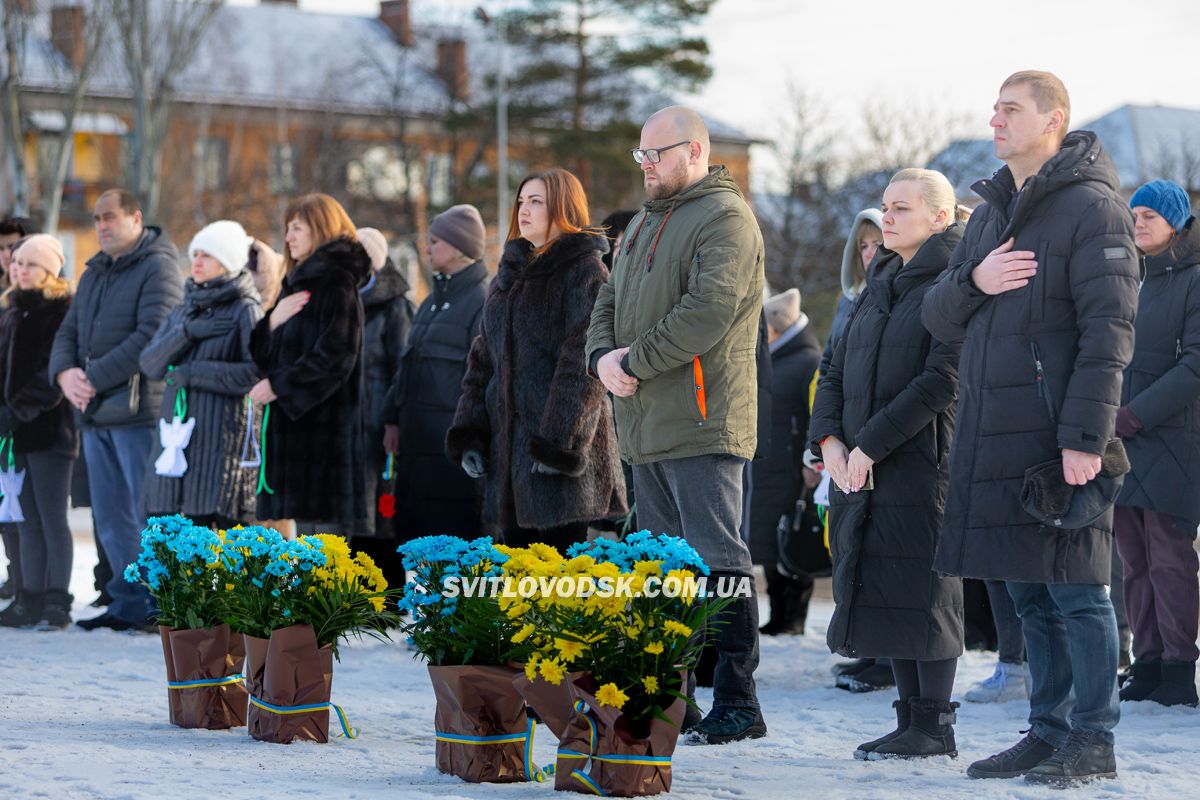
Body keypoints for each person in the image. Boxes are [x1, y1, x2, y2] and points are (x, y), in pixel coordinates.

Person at [922, 71, 1139, 784]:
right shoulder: (988, 214)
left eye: (1010, 110)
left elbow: (1110, 331)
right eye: (993, 109)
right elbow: (937, 315)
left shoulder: (1093, 208)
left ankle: (1094, 738)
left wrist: (1085, 438)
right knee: (1029, 592)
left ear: (1054, 120)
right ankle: (1047, 731)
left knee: (1079, 590)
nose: (995, 121)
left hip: (1057, 437)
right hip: (993, 429)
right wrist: (974, 279)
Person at [586, 106, 767, 745]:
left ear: (693, 152)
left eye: (655, 155)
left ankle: (740, 701)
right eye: (641, 156)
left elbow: (707, 311)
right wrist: (601, 358)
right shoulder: (638, 225)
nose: (646, 166)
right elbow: (605, 300)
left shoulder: (724, 217)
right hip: (642, 422)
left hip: (701, 419)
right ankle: (673, 698)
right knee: (663, 566)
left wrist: (632, 359)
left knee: (718, 559)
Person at [811, 168, 966, 760]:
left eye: (901, 208)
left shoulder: (952, 281)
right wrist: (828, 440)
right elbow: (835, 367)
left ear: (940, 217)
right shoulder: (881, 278)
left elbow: (941, 380)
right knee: (886, 586)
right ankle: (909, 720)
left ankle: (936, 725)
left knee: (927, 590)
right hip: (856, 462)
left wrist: (868, 443)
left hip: (921, 461)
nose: (888, 217)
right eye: (885, 206)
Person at [447, 169, 626, 549]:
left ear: (564, 207)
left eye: (536, 202)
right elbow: (482, 361)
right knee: (517, 593)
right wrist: (471, 435)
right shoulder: (508, 277)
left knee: (561, 591)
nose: (523, 210)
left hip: (563, 465)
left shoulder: (585, 271)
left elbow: (583, 365)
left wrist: (558, 444)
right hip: (510, 464)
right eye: (521, 201)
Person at [49, 189, 183, 632]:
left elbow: (153, 335)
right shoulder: (93, 272)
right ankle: (127, 602)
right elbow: (68, 331)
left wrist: (92, 378)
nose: (102, 225)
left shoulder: (159, 266)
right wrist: (65, 374)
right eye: (97, 219)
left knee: (146, 515)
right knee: (109, 517)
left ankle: (157, 603)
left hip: (139, 412)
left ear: (136, 218)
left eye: (110, 217)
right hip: (96, 412)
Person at [1112, 180, 1200, 708]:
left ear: (1176, 222)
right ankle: (1146, 663)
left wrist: (1137, 413)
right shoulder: (1129, 278)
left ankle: (1176, 670)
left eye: (1150, 215)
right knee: (1132, 557)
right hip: (1120, 437)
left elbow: (1197, 362)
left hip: (1172, 438)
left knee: (1169, 558)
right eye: (1134, 213)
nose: (1139, 222)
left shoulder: (1195, 280)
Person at [247, 193, 370, 535]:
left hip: (324, 437)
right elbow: (261, 355)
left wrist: (279, 386)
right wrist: (271, 323)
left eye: (297, 228)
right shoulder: (297, 282)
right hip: (296, 436)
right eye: (287, 229)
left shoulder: (336, 282)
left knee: (325, 552)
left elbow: (336, 356)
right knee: (300, 545)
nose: (288, 238)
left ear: (321, 229)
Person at [139, 220, 263, 529]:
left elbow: (254, 373)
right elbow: (150, 365)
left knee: (215, 541)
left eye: (207, 256)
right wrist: (187, 333)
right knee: (169, 538)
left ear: (228, 261)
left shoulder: (245, 309)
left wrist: (193, 373)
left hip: (220, 448)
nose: (196, 261)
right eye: (195, 254)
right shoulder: (183, 310)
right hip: (176, 442)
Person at [382, 205, 489, 552]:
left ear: (459, 247)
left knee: (454, 554)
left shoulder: (481, 301)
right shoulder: (429, 303)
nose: (426, 250)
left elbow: (485, 378)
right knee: (415, 548)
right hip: (415, 453)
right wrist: (392, 420)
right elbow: (405, 368)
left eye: (435, 242)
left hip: (451, 461)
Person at [0, 235, 77, 629]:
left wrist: (16, 410)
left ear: (49, 270)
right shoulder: (12, 311)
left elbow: (52, 374)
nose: (20, 269)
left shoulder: (59, 311)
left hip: (49, 431)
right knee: (25, 519)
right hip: (16, 433)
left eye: (29, 264)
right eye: (17, 263)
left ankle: (56, 599)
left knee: (50, 518)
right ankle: (27, 595)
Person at [751, 288, 822, 636]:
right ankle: (778, 614)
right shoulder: (771, 359)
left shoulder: (807, 361)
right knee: (767, 544)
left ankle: (795, 616)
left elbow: (816, 415)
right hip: (766, 467)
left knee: (792, 540)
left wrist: (813, 463)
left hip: (793, 469)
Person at [348, 227, 412, 582]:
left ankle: (387, 592)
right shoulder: (346, 300)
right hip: (348, 426)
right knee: (356, 508)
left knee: (382, 508)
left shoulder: (395, 305)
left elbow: (401, 368)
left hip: (379, 427)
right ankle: (357, 589)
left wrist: (393, 421)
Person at [0, 214, 40, 604]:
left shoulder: (35, 300)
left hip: (25, 420)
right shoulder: (6, 296)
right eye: (3, 249)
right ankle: (15, 576)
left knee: (23, 506)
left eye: (14, 246)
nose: (8, 255)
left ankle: (28, 584)